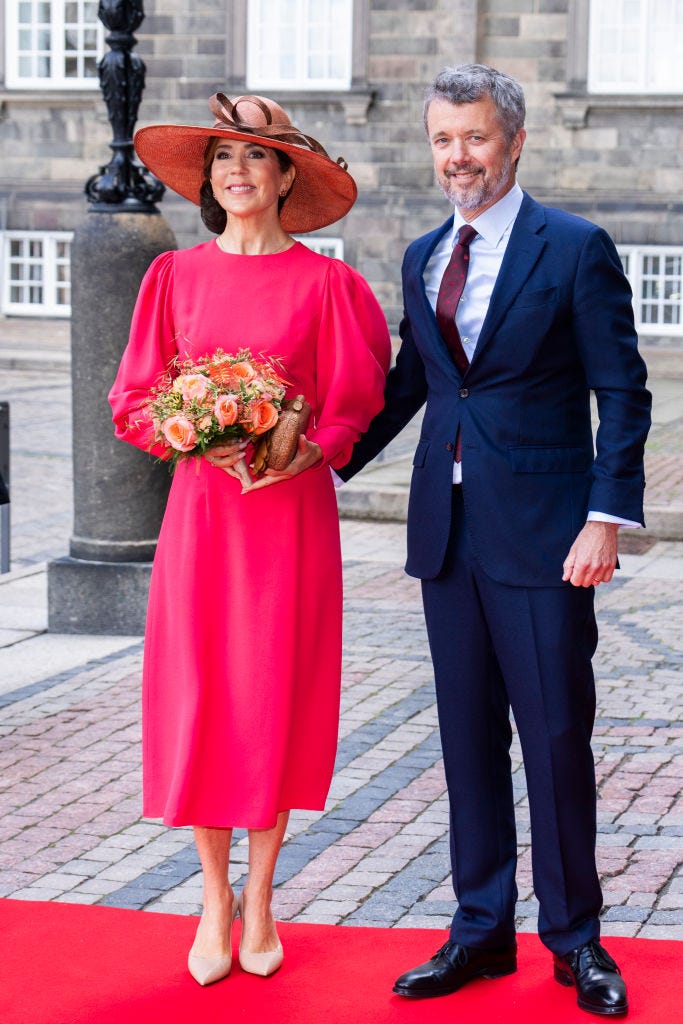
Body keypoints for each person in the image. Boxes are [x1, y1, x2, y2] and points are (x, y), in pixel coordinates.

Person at [337, 65, 651, 1017]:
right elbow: (413, 385)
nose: (455, 157)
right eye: (441, 139)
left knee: (555, 738)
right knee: (466, 739)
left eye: (472, 138)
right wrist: (317, 456)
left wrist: (605, 519)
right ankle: (478, 930)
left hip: (549, 536)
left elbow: (621, 391)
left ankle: (576, 940)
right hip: (448, 533)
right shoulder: (424, 253)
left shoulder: (574, 247)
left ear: (512, 141)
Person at [109, 92, 391, 987]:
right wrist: (192, 434)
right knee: (202, 695)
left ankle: (264, 898)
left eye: (256, 158)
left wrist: (307, 448)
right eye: (223, 160)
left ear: (283, 177)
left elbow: (355, 400)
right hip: (202, 515)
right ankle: (212, 900)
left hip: (287, 515)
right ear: (210, 182)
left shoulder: (327, 285)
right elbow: (131, 400)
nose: (237, 172)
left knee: (272, 695)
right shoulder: (172, 278)